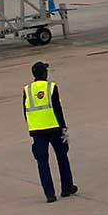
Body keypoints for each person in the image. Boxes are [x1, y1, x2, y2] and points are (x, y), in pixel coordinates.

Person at [23, 59, 78, 203]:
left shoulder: (27, 90)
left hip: (37, 131)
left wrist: (33, 126)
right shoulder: (51, 87)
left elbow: (25, 111)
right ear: (44, 73)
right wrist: (63, 128)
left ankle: (49, 194)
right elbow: (57, 110)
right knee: (62, 157)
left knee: (42, 162)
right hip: (53, 128)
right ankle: (67, 188)